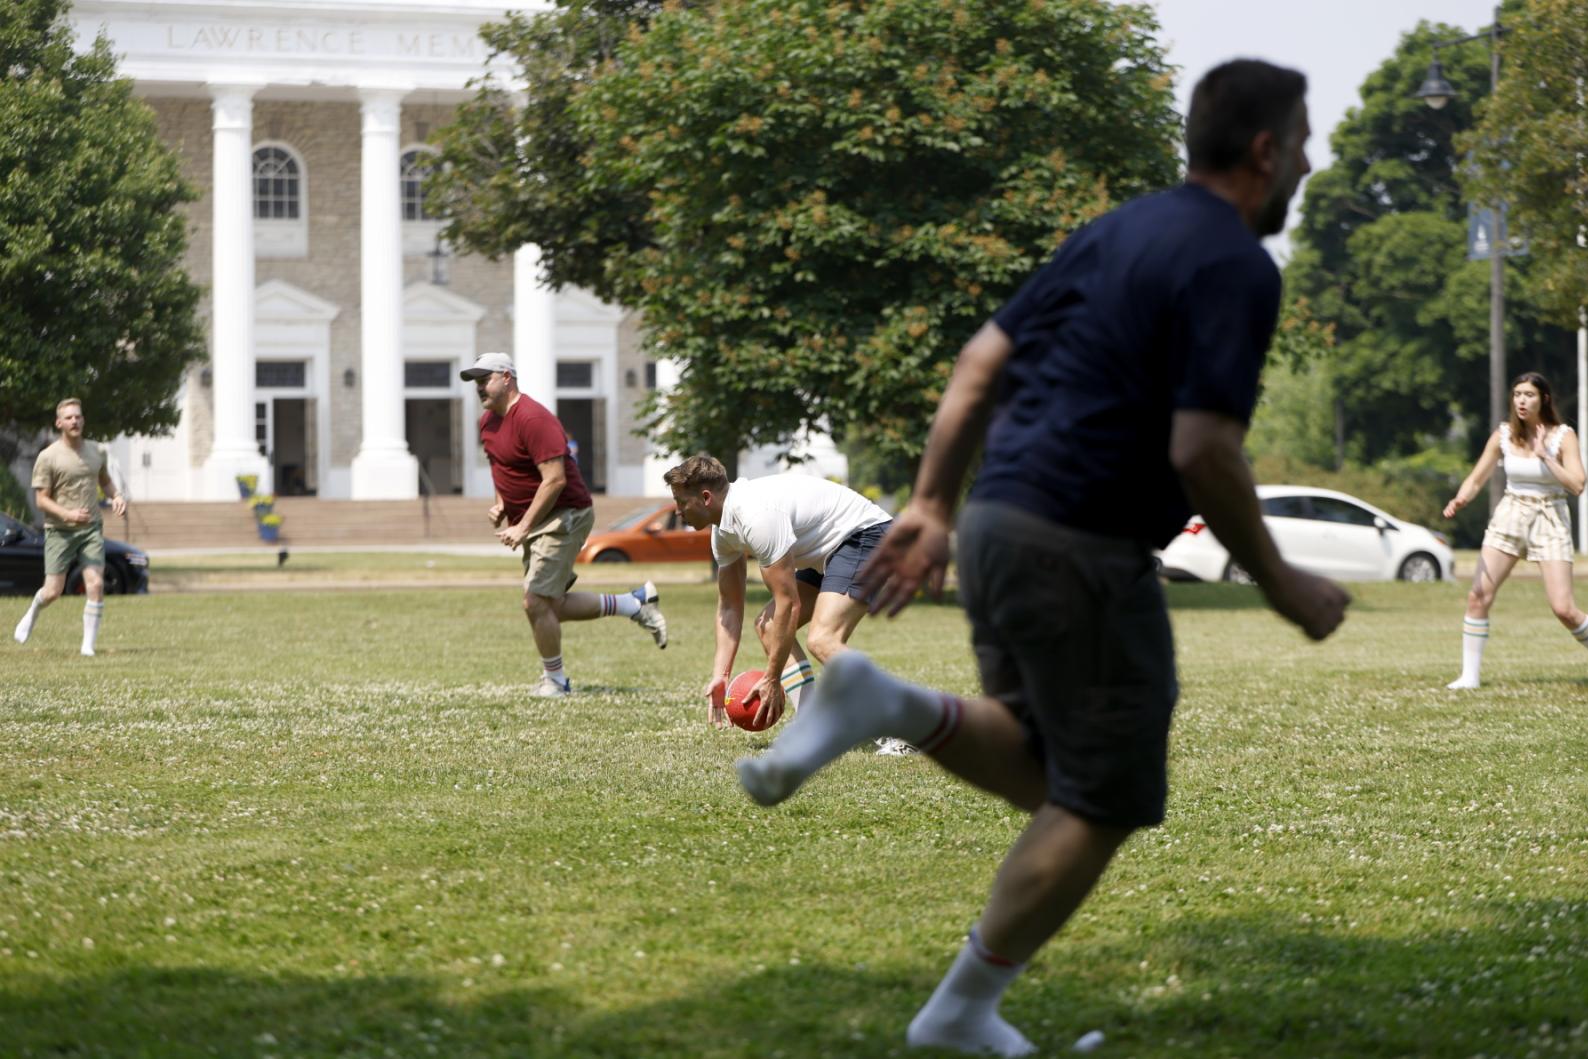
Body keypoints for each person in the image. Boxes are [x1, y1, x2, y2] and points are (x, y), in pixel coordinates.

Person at [734, 60, 1349, 1056]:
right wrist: (1282, 583)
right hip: (1084, 544)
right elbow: (1203, 450)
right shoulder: (1235, 265)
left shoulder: (1113, 230)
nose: (1309, 162)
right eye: (1305, 142)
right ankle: (959, 1010)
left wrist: (934, 504)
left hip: (1001, 524)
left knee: (1046, 775)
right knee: (1103, 801)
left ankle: (880, 704)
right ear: (1266, 150)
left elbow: (980, 363)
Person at [663, 455, 910, 750]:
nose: (677, 511)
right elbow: (729, 606)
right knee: (767, 627)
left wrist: (772, 677)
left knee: (823, 639)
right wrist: (721, 675)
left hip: (866, 536)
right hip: (830, 549)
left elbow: (788, 603)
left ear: (705, 498)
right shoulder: (724, 531)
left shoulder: (756, 516)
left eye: (681, 502)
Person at [462, 352, 667, 696]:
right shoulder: (488, 422)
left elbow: (555, 480)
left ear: (507, 378)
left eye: (486, 379)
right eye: (476, 382)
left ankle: (555, 681)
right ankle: (634, 604)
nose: (480, 387)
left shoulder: (533, 418)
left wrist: (522, 526)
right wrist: (501, 504)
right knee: (549, 603)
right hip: (537, 518)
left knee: (535, 602)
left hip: (565, 514)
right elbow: (501, 466)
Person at [1443, 371, 1588, 689]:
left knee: (1564, 609)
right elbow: (1476, 478)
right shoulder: (1503, 435)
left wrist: (1545, 457)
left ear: (1544, 399)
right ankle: (1469, 677)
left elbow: (1578, 485)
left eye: (1529, 395)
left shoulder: (1563, 436)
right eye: (1517, 394)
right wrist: (1460, 499)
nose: (1522, 401)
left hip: (1550, 516)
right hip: (1511, 514)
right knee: (1478, 596)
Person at [12, 398, 127, 656]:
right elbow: (41, 500)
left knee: (96, 584)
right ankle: (33, 611)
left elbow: (105, 481)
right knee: (53, 591)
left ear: (83, 420)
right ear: (59, 423)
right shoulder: (48, 457)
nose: (75, 421)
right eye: (69, 417)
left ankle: (87, 646)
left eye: (78, 416)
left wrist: (116, 496)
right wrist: (68, 514)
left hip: (90, 529)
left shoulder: (97, 451)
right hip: (59, 531)